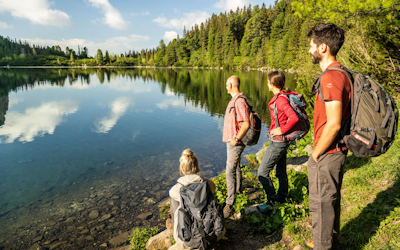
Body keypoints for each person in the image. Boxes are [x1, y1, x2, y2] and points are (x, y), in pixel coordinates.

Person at [304, 23, 351, 250]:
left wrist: (315, 154)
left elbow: (333, 124)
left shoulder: (330, 78)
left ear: (323, 47)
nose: (309, 50)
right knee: (330, 202)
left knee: (321, 205)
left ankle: (322, 245)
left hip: (328, 153)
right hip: (336, 151)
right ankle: (328, 242)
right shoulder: (342, 72)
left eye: (311, 45)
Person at [257, 71, 299, 213]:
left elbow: (293, 118)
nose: (267, 84)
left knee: (262, 172)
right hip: (280, 141)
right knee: (280, 171)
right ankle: (282, 198)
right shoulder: (280, 97)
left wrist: (281, 130)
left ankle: (271, 201)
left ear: (273, 84)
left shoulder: (281, 100)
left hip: (279, 142)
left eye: (268, 81)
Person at [168, 149, 217, 248]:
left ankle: (177, 229)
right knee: (210, 195)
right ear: (197, 166)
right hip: (211, 232)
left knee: (174, 201)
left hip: (188, 239)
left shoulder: (177, 189)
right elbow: (214, 188)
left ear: (182, 168)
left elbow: (171, 193)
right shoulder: (208, 184)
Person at [222, 75, 250, 218]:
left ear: (231, 85)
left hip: (236, 142)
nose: (226, 87)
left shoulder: (239, 101)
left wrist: (236, 138)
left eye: (227, 84)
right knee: (236, 166)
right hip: (232, 141)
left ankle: (229, 203)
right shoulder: (235, 100)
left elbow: (246, 123)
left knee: (230, 171)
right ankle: (238, 191)